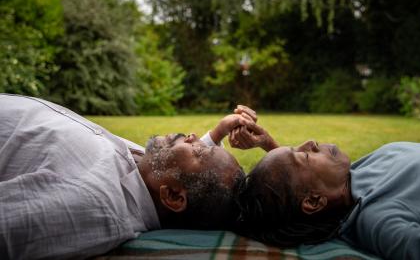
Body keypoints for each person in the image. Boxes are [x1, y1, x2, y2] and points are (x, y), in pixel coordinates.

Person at [0, 93, 253, 259]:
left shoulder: (94, 205)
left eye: (199, 150)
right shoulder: (153, 175)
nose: (191, 137)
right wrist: (217, 133)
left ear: (174, 196)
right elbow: (193, 176)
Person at [229, 121, 420, 260]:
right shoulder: (378, 220)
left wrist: (271, 145)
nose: (311, 143)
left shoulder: (353, 175)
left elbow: (300, 183)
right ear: (315, 202)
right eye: (304, 154)